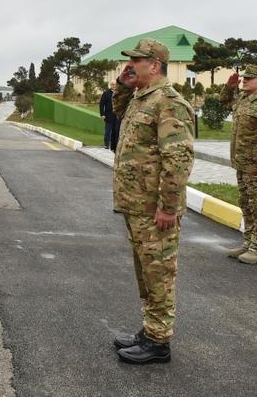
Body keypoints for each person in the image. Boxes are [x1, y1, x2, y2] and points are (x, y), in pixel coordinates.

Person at [111, 38, 194, 364]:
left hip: (154, 208)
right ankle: (150, 330)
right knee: (146, 272)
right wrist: (122, 83)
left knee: (159, 274)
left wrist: (168, 206)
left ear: (154, 65)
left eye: (137, 61)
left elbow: (178, 159)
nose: (131, 65)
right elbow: (118, 111)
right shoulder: (142, 98)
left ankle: (159, 342)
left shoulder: (169, 103)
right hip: (136, 204)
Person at [218, 65, 257, 264]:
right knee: (246, 204)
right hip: (242, 163)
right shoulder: (243, 98)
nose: (244, 81)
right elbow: (223, 102)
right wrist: (229, 86)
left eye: (250, 78)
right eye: (244, 78)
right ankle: (249, 242)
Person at [99, 80, 120, 151]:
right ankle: (106, 144)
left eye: (115, 84)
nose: (114, 86)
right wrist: (102, 114)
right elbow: (102, 104)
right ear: (110, 85)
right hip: (108, 115)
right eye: (112, 84)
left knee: (116, 131)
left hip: (117, 115)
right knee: (108, 131)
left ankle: (114, 145)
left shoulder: (119, 93)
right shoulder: (106, 93)